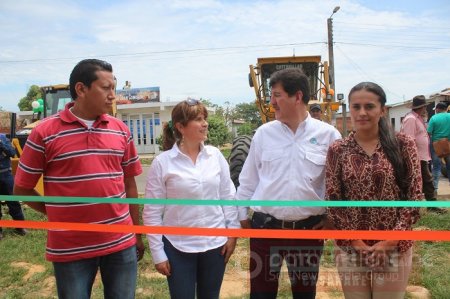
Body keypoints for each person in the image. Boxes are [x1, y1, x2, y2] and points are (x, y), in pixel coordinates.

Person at [13, 59, 144, 299]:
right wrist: (56, 212)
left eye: (114, 88)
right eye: (106, 88)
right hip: (71, 248)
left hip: (120, 244)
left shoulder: (120, 130)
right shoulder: (44, 133)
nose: (113, 96)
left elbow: (130, 184)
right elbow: (21, 189)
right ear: (81, 89)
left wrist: (136, 232)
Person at [236, 68, 341, 299]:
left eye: (277, 95)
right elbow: (248, 179)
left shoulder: (329, 136)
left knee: (304, 294)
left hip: (308, 231)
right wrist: (242, 214)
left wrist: (332, 217)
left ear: (298, 96)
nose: (272, 102)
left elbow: (337, 184)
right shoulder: (263, 134)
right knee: (261, 294)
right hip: (265, 229)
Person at [326, 82, 422, 299]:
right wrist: (355, 241)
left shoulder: (403, 144)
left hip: (394, 247)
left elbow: (414, 197)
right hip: (351, 248)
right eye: (356, 106)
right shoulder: (338, 149)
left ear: (382, 110)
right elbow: (333, 199)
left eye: (369, 106)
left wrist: (390, 240)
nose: (362, 113)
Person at [143, 99, 239, 299]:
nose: (205, 123)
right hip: (178, 247)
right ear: (180, 127)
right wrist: (158, 253)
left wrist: (232, 234)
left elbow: (227, 195)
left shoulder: (215, 156)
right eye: (198, 119)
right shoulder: (163, 163)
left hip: (216, 246)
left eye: (204, 118)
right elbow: (152, 212)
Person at [401, 95, 440, 213]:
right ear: (421, 107)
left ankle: (428, 206)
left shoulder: (418, 118)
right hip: (416, 157)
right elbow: (409, 140)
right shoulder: (411, 119)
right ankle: (431, 206)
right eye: (424, 107)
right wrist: (412, 158)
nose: (426, 109)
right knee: (426, 181)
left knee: (423, 182)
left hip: (422, 156)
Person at [0, 133, 26, 240]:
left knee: (13, 201)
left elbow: (12, 152)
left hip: (5, 175)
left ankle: (20, 227)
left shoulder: (2, 138)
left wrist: (1, 144)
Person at [428, 102, 450, 189]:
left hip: (436, 145)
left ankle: (435, 188)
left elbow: (429, 132)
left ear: (437, 109)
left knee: (436, 167)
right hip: (448, 144)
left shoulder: (434, 118)